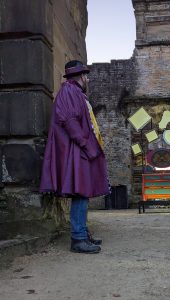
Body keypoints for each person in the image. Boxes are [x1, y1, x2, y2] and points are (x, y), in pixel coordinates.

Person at [40, 60, 110, 254]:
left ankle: (82, 233)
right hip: (76, 150)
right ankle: (78, 238)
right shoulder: (69, 91)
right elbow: (70, 122)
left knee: (83, 192)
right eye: (86, 76)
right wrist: (86, 145)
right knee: (81, 192)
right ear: (80, 76)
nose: (88, 79)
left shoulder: (76, 93)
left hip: (78, 149)